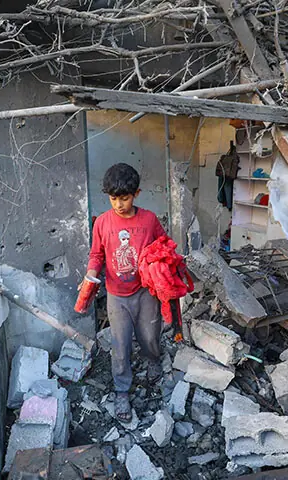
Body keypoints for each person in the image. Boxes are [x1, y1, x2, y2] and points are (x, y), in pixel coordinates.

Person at [83, 163, 166, 421]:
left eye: (125, 198)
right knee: (120, 344)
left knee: (149, 335)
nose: (119, 204)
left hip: (146, 291)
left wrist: (165, 268)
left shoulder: (149, 220)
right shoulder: (102, 223)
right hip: (116, 294)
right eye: (113, 199)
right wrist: (91, 275)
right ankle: (121, 390)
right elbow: (97, 255)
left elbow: (163, 246)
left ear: (136, 194)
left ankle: (153, 360)